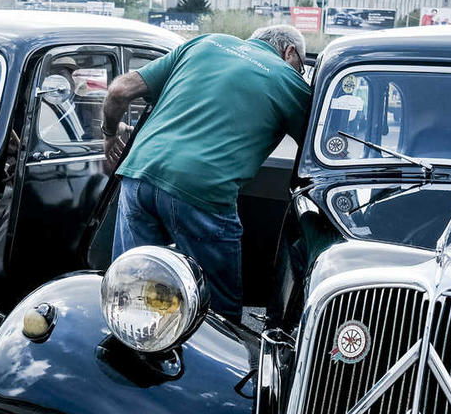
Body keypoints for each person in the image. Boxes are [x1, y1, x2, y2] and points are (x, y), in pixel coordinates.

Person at [101, 26, 312, 316]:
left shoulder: (205, 43)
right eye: (300, 64)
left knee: (131, 288)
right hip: (202, 191)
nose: (298, 70)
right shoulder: (288, 78)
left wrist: (109, 134)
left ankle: (131, 355)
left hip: (138, 175)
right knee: (216, 309)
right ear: (290, 52)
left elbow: (119, 90)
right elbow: (318, 151)